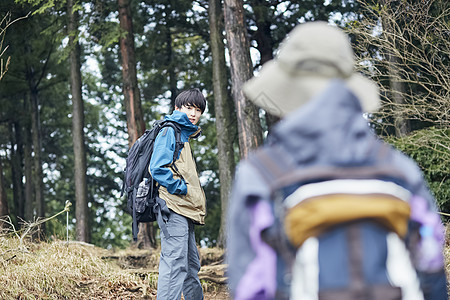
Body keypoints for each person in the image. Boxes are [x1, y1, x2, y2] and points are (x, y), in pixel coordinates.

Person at [227, 22, 448, 300]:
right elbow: (431, 267)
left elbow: (248, 285)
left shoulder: (259, 175)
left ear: (287, 91)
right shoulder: (399, 169)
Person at [149, 88, 207, 300]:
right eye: (189, 107)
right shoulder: (169, 131)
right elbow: (157, 168)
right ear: (177, 108)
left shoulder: (184, 136)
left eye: (198, 109)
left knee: (191, 266)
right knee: (174, 265)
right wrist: (181, 188)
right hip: (173, 208)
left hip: (186, 210)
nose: (193, 113)